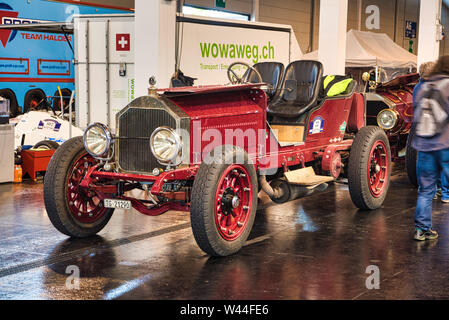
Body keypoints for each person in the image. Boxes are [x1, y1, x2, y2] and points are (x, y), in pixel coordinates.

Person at [412, 56, 449, 241]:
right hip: (445, 144)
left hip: (424, 146)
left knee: (426, 191)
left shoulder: (421, 88)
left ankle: (421, 229)